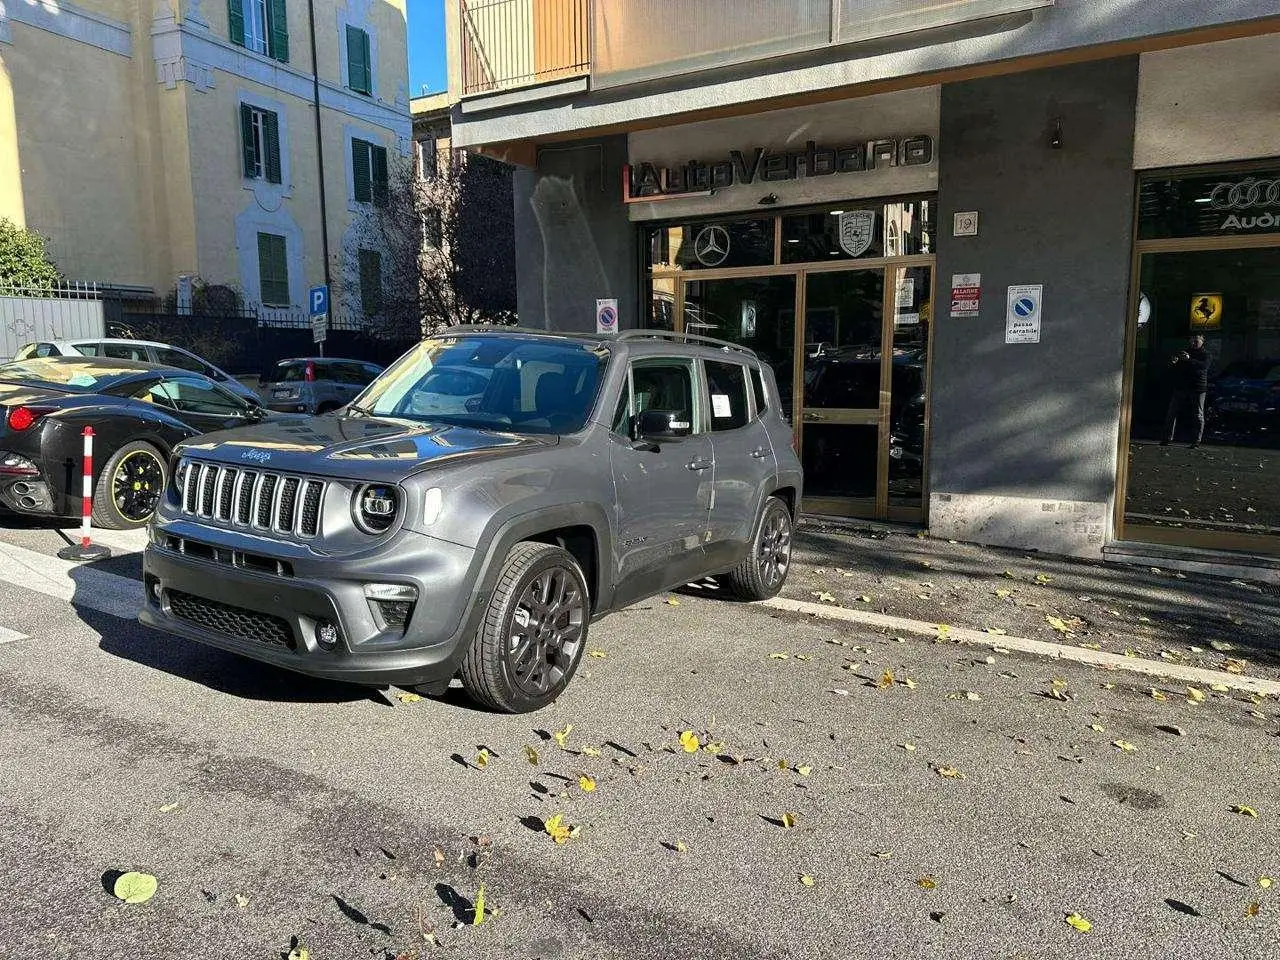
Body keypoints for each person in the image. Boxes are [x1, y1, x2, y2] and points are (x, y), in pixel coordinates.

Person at [1162, 334, 1209, 448]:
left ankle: (1196, 441)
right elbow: (1176, 369)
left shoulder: (1205, 354)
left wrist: (1190, 360)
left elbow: (1203, 366)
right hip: (1181, 387)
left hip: (1197, 387)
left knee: (1198, 414)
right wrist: (1174, 362)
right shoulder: (1184, 352)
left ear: (1202, 342)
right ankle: (1167, 438)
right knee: (1172, 412)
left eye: (1196, 341)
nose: (1193, 343)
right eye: (1192, 340)